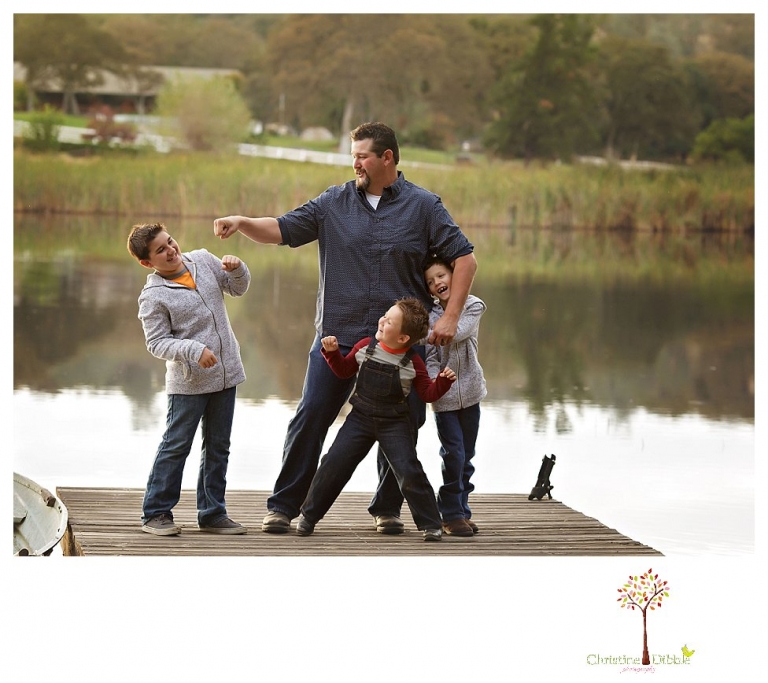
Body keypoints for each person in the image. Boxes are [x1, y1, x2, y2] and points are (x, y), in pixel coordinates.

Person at [213, 121, 477, 535]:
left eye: (361, 156)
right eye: (353, 156)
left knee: (405, 425)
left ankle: (387, 509)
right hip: (337, 339)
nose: (354, 163)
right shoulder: (332, 202)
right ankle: (284, 506)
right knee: (311, 416)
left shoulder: (424, 207)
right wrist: (242, 221)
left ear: (386, 157)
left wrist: (450, 317)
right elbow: (281, 228)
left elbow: (465, 259)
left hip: (400, 345)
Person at [296, 298, 456, 541]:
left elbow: (427, 394)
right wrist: (331, 353)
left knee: (409, 471)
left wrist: (443, 382)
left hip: (395, 424)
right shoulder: (364, 347)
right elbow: (344, 371)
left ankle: (431, 524)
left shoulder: (413, 362)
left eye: (389, 321)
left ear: (403, 338)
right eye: (385, 316)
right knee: (334, 464)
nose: (382, 321)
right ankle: (308, 516)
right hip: (359, 419)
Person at [127, 222, 251, 536]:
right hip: (189, 384)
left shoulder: (204, 260)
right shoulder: (152, 297)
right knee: (176, 445)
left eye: (170, 242)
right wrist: (194, 350)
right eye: (161, 250)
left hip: (226, 374)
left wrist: (238, 269)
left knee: (219, 446)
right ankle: (155, 513)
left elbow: (237, 288)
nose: (171, 250)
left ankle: (212, 514)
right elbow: (157, 343)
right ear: (147, 262)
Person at [424, 256, 487, 537]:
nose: (437, 282)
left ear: (454, 275)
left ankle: (462, 510)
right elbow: (431, 357)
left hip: (471, 394)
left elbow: (456, 332)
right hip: (445, 399)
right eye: (430, 281)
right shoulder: (431, 317)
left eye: (441, 275)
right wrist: (435, 380)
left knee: (467, 456)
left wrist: (426, 335)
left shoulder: (473, 306)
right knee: (454, 454)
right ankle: (450, 514)